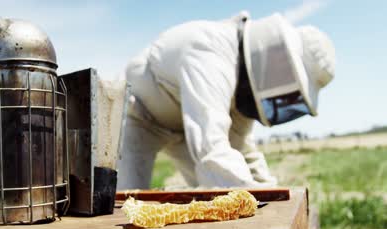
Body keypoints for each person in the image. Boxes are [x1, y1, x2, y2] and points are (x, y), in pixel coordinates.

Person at [117, 12, 335, 190]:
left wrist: (274, 195)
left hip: (186, 127)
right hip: (139, 117)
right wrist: (253, 202)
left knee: (220, 198)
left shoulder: (243, 88)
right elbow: (211, 149)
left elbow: (242, 150)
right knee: (122, 203)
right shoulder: (209, 51)